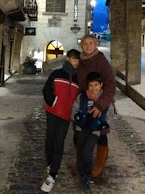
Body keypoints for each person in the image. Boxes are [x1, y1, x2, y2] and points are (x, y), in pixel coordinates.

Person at [40, 49, 80, 193]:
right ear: (68, 59)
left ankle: (52, 175)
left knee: (59, 142)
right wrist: (53, 102)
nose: (76, 62)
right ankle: (50, 164)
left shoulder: (77, 79)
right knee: (49, 140)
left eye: (78, 60)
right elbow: (46, 90)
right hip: (52, 113)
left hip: (65, 116)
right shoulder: (56, 74)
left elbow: (78, 98)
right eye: (74, 59)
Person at [77, 34, 116, 178]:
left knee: (101, 133)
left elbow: (111, 84)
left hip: (101, 102)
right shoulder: (80, 61)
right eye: (85, 43)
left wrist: (100, 105)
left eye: (91, 43)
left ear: (96, 45)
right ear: (82, 46)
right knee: (80, 132)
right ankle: (81, 164)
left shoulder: (101, 61)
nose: (88, 46)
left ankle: (99, 164)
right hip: (84, 102)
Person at [71, 71, 112, 190]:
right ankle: (82, 172)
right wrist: (76, 117)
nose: (93, 88)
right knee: (80, 152)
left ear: (101, 85)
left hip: (95, 130)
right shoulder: (82, 97)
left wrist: (106, 124)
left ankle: (87, 176)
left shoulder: (105, 99)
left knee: (87, 151)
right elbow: (74, 110)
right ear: (87, 86)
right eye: (90, 85)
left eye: (96, 85)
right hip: (80, 128)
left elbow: (110, 115)